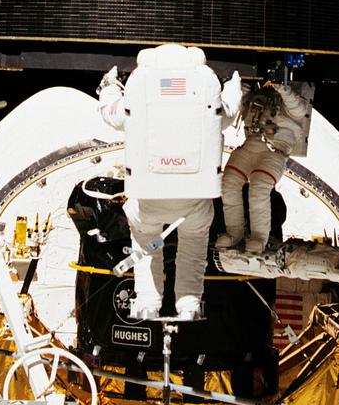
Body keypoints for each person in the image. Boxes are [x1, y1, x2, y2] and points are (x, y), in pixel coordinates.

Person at [98, 44, 241, 321]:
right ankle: (189, 304)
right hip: (194, 200)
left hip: (148, 200)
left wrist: (110, 85)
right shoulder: (206, 87)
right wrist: (233, 82)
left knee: (145, 248)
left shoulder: (139, 89)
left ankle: (148, 303)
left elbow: (110, 113)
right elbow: (229, 110)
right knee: (193, 249)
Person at [216, 80, 313, 253]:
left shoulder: (291, 102)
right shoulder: (256, 97)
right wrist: (241, 93)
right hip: (249, 147)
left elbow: (299, 110)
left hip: (273, 151)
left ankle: (259, 237)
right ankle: (234, 233)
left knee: (259, 186)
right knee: (228, 183)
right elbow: (234, 111)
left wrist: (284, 90)